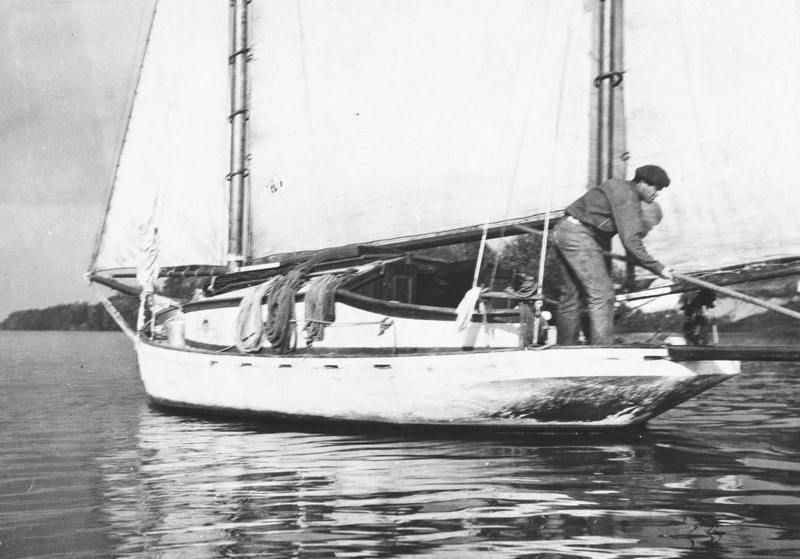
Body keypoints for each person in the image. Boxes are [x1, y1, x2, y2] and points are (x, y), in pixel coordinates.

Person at [551, 165, 674, 345]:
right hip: (579, 236)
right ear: (642, 183)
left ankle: (565, 349)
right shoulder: (627, 196)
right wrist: (659, 268)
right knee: (603, 295)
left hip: (564, 231)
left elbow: (625, 243)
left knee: (571, 296)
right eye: (657, 188)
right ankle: (603, 350)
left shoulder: (622, 189)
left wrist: (631, 275)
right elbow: (631, 241)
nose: (658, 193)